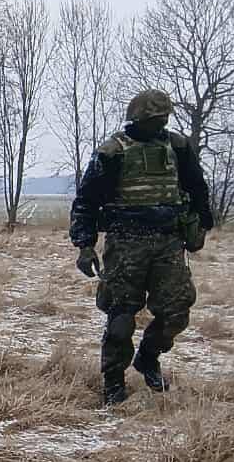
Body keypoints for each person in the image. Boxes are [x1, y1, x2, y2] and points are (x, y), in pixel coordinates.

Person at [69, 88, 213, 405]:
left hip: (168, 242)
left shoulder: (177, 147)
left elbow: (197, 188)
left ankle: (148, 357)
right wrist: (84, 245)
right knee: (120, 316)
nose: (161, 123)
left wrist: (202, 224)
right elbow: (86, 201)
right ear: (137, 118)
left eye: (164, 118)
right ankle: (113, 382)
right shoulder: (113, 151)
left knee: (176, 311)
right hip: (125, 243)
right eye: (154, 118)